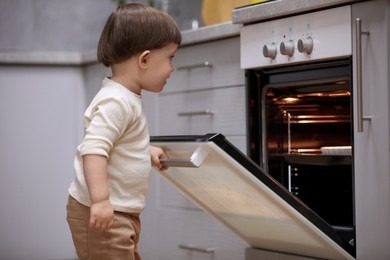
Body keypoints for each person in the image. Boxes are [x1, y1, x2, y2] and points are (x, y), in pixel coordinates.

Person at [66, 3, 181, 260]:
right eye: (170, 58)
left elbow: (118, 143)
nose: (172, 68)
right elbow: (94, 150)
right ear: (145, 59)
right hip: (105, 211)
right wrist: (101, 201)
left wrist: (144, 150)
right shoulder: (116, 101)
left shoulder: (125, 97)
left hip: (119, 211)